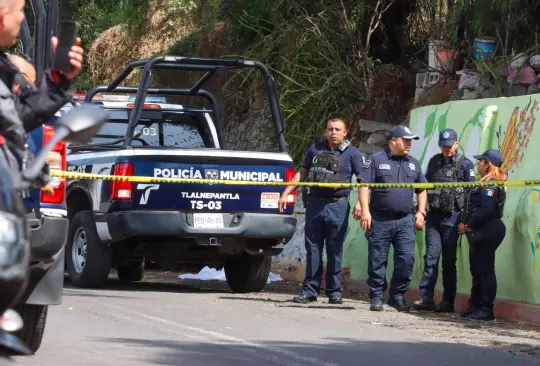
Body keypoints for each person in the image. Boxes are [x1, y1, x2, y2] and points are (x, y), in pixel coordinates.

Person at [278, 118, 366, 304]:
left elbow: (363, 181)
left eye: (337, 129)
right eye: (330, 129)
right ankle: (310, 290)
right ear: (325, 131)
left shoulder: (352, 153)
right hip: (315, 204)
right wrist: (286, 192)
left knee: (335, 249)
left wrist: (360, 203)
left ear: (345, 132)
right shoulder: (315, 149)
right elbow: (302, 172)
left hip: (338, 205)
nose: (333, 132)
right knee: (313, 248)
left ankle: (334, 292)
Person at [358, 125, 428, 312]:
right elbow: (364, 186)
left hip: (405, 221)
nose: (409, 144)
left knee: (406, 260)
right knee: (377, 260)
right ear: (393, 141)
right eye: (406, 140)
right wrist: (365, 211)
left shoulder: (413, 163)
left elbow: (422, 189)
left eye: (410, 141)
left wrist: (421, 211)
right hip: (380, 219)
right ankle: (377, 296)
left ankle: (397, 296)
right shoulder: (376, 160)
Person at [412, 129, 476, 313]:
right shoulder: (434, 161)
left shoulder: (465, 164)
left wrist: (464, 221)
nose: (446, 148)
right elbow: (424, 187)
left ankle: (448, 300)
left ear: (457, 143)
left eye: (449, 145)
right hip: (434, 216)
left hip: (453, 217)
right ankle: (426, 297)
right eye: (443, 145)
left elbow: (470, 196)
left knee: (448, 261)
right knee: (430, 257)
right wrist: (421, 210)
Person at [458, 149, 507, 321]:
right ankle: (475, 305)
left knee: (485, 269)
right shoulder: (484, 182)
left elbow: (486, 209)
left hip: (488, 229)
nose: (478, 164)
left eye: (481, 161)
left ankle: (486, 308)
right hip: (479, 229)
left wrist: (469, 225)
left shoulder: (491, 183)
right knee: (476, 269)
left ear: (487, 164)